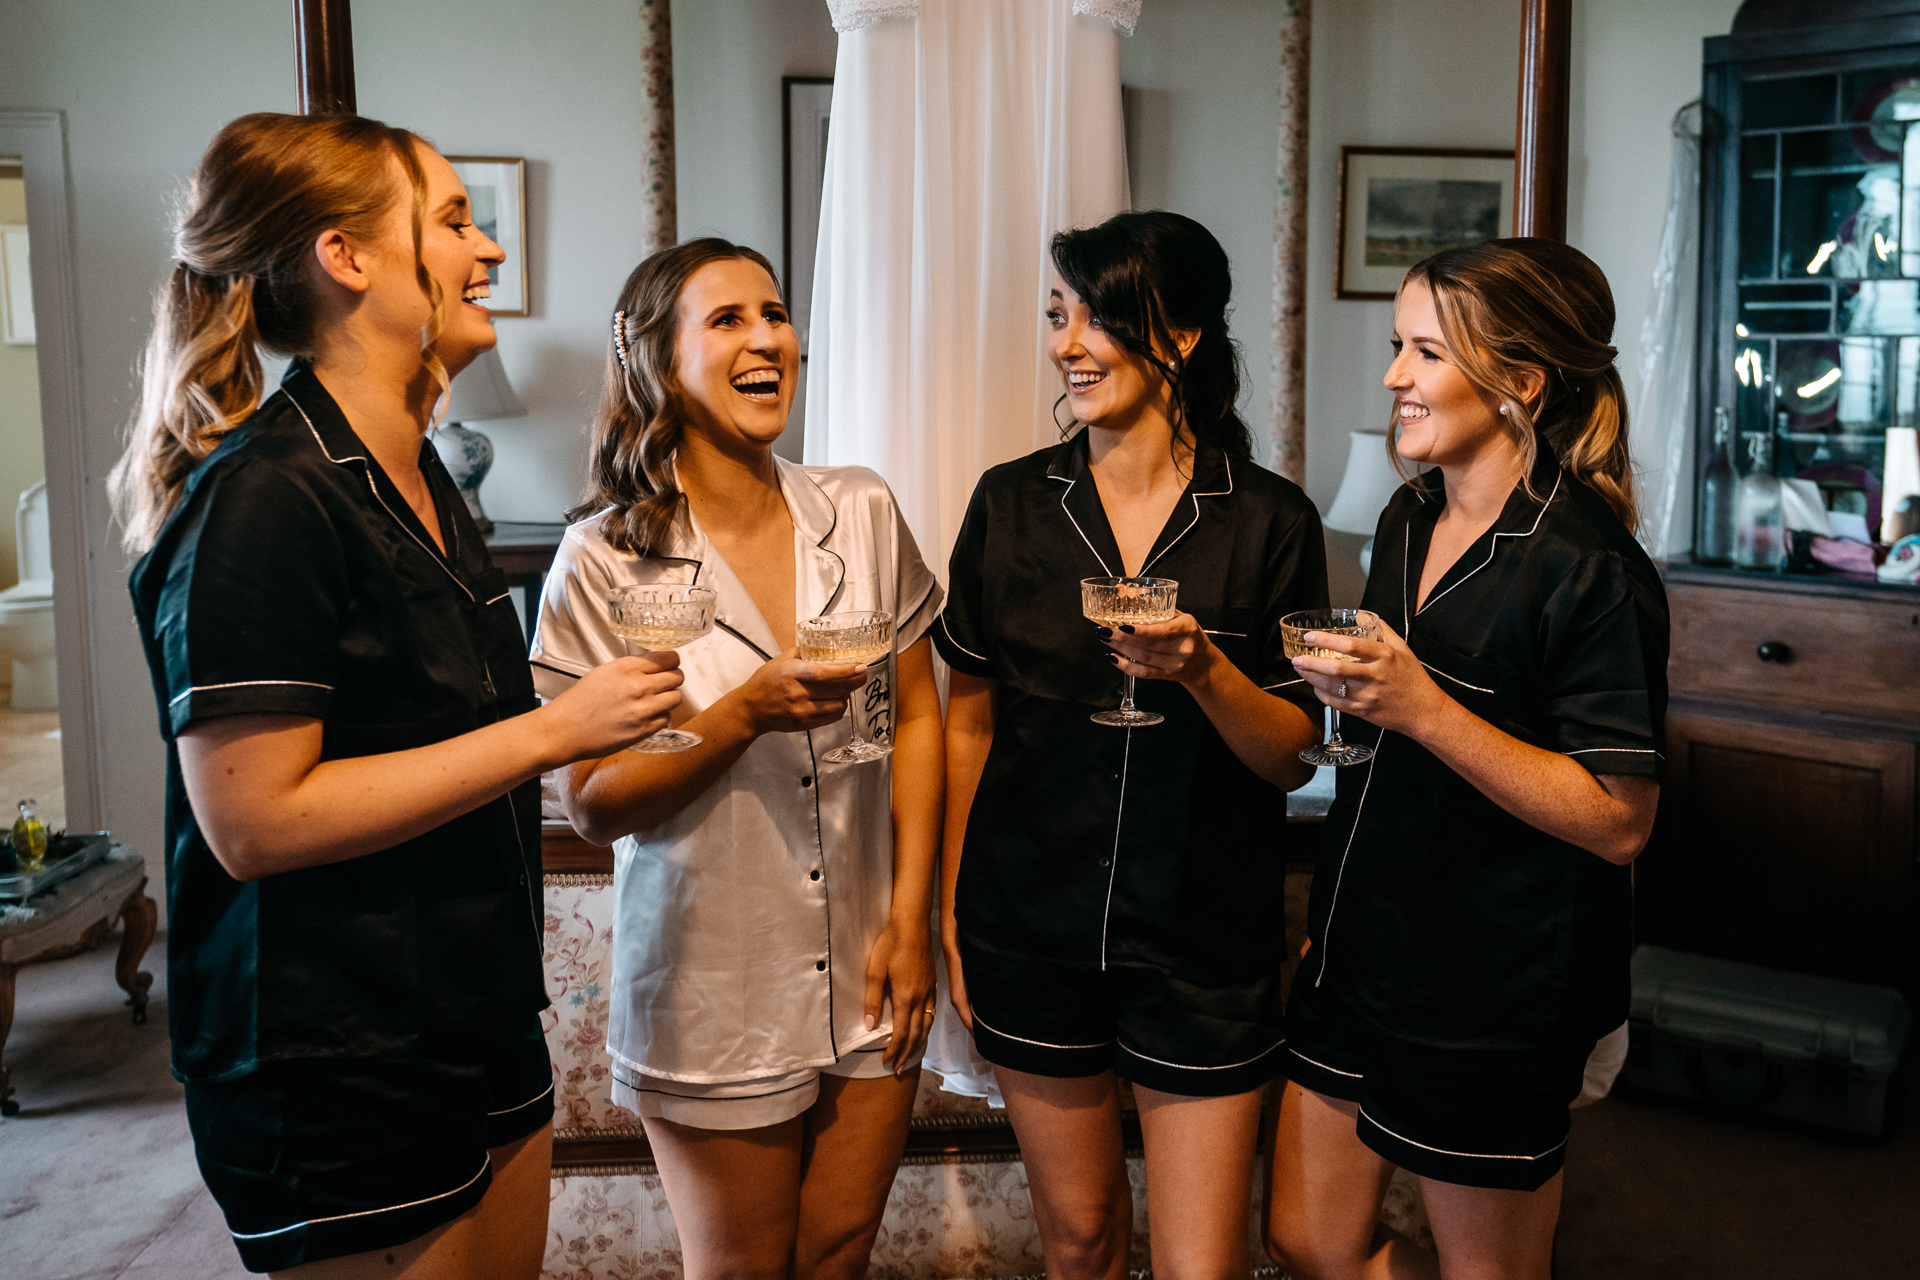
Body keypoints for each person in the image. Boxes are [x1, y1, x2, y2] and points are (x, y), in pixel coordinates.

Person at [115, 114, 684, 1278]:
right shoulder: (263, 502)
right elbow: (253, 821)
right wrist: (552, 732)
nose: (490, 254)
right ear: (348, 257)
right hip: (333, 1055)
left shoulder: (423, 478)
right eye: (456, 221)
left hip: (470, 1010)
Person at [530, 238, 945, 1280]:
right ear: (660, 362)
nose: (768, 338)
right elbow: (592, 804)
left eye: (775, 312)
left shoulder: (860, 510)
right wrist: (741, 717)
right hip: (716, 977)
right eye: (727, 320)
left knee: (841, 1250)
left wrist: (912, 919)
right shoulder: (605, 556)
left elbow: (924, 718)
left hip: (868, 958)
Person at [1265, 238, 1669, 1280]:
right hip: (1357, 951)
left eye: (1425, 351)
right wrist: (1354, 695)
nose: (1395, 374)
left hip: (1496, 990)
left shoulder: (1589, 568)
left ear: (1520, 382)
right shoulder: (1406, 516)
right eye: (1399, 346)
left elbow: (1620, 818)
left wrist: (1423, 707)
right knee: (1306, 1238)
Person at [936, 210, 1329, 1280]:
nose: (1068, 342)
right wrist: (949, 905)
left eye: (1100, 315)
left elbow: (1293, 753)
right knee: (1081, 1237)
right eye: (1057, 314)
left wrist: (1204, 671)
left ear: (1185, 334)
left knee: (1203, 1263)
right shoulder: (1011, 504)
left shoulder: (1270, 522)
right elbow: (967, 715)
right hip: (1029, 920)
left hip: (1204, 936)